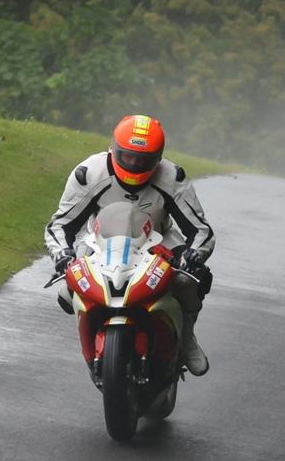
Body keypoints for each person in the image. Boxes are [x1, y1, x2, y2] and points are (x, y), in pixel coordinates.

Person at [44, 114, 214, 376]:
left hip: (157, 238)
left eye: (143, 160)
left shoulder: (172, 177)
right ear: (113, 149)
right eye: (128, 156)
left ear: (158, 158)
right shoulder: (89, 173)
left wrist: (194, 254)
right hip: (99, 239)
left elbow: (201, 230)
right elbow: (60, 225)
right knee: (67, 290)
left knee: (190, 280)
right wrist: (61, 255)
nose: (134, 164)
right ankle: (91, 334)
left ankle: (187, 339)